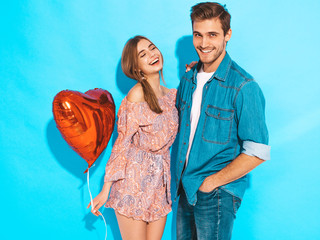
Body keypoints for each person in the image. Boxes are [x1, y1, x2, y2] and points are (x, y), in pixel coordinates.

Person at [174, 2, 271, 240]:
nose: (204, 43)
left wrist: (212, 182)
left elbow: (257, 151)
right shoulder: (188, 80)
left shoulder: (243, 86)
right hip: (185, 188)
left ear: (227, 35)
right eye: (198, 35)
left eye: (212, 35)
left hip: (216, 193)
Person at [88, 35, 179, 240]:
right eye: (143, 55)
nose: (152, 55)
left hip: (159, 186)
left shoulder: (171, 95)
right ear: (136, 67)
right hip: (133, 184)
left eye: (152, 48)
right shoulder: (136, 95)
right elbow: (122, 143)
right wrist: (106, 188)